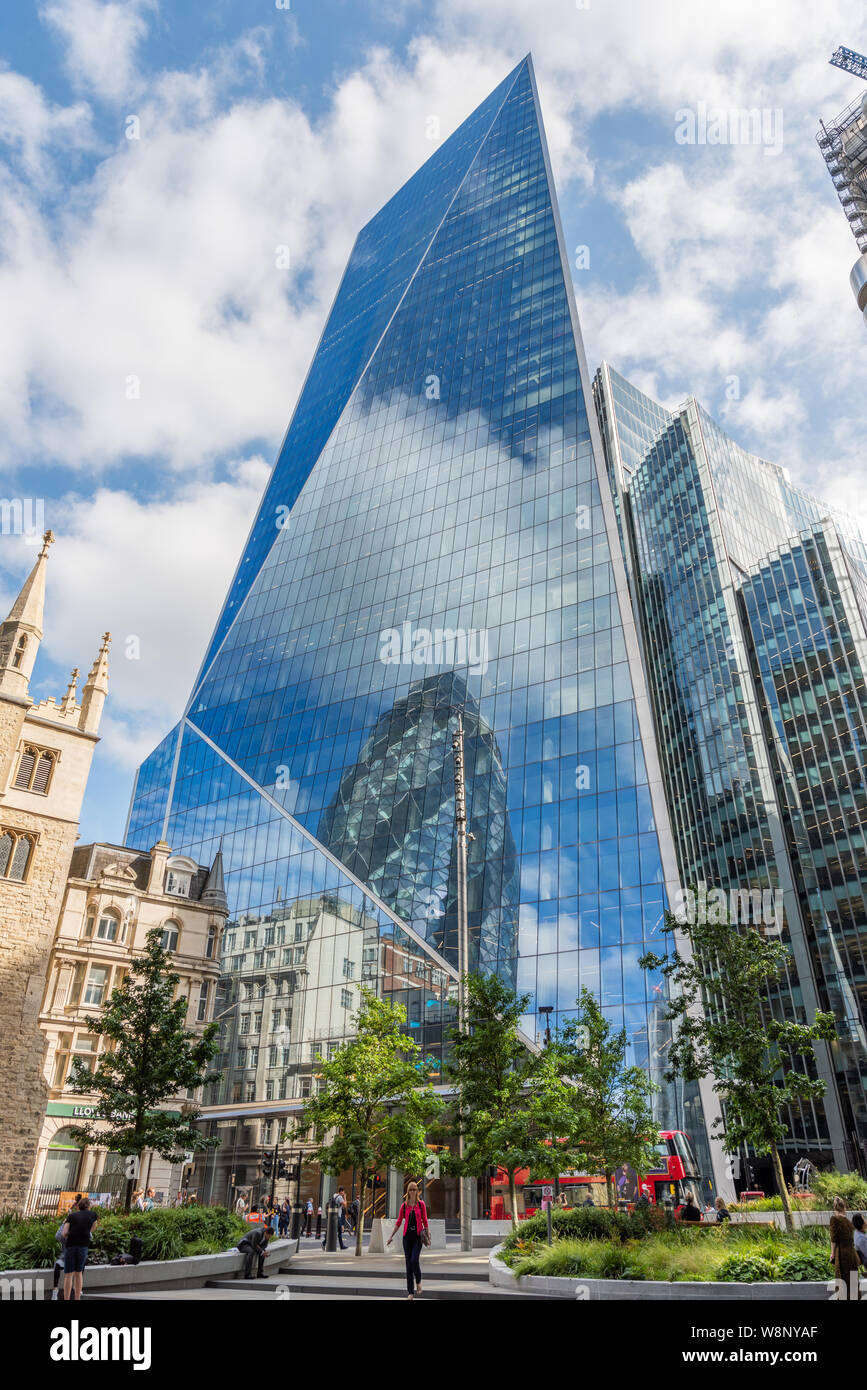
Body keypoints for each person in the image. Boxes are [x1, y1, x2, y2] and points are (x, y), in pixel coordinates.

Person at [386, 1180, 430, 1300]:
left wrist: (428, 1235)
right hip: (407, 1238)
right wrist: (391, 1236)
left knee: (414, 1260)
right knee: (408, 1265)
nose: (412, 1191)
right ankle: (410, 1292)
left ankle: (419, 1281)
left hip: (417, 1238)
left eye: (414, 1189)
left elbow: (425, 1221)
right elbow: (399, 1222)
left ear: (417, 1191)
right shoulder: (404, 1206)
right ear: (407, 1191)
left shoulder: (421, 1205)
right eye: (410, 1189)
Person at [61, 1196, 100, 1301]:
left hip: (71, 1246)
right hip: (83, 1246)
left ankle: (67, 1298)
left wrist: (72, 1232)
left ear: (79, 1206)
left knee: (69, 1274)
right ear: (89, 1206)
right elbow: (93, 1228)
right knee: (79, 1273)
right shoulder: (93, 1215)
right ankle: (77, 1298)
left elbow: (64, 1233)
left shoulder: (72, 1216)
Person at [830, 1195, 861, 1299]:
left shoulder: (834, 1219)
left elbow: (833, 1239)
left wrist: (832, 1254)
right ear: (844, 1208)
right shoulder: (848, 1222)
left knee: (842, 1280)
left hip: (842, 1254)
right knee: (853, 1281)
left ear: (835, 1208)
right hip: (852, 1254)